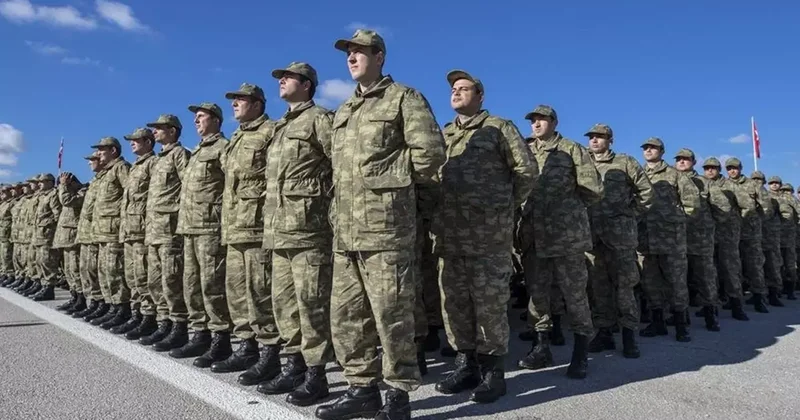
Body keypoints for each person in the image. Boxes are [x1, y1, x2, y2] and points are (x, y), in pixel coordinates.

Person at [314, 29, 446, 420]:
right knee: (346, 316)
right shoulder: (344, 111)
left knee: (392, 315)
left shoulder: (405, 98)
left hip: (387, 230)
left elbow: (430, 156)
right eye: (348, 53)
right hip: (346, 233)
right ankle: (361, 388)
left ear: (380, 56)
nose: (352, 58)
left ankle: (397, 396)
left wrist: (392, 186)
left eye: (360, 51)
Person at [432, 70, 536, 402]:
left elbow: (527, 171)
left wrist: (502, 207)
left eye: (464, 88)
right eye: (453, 89)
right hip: (449, 235)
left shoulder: (498, 128)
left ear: (480, 97)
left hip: (488, 236)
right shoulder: (444, 134)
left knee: (489, 305)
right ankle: (466, 365)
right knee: (455, 304)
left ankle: (494, 373)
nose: (456, 92)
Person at [517, 105, 603, 379]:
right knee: (537, 295)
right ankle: (540, 347)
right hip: (534, 235)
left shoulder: (571, 149)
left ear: (554, 122)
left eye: (541, 119)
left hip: (565, 236)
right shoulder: (527, 151)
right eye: (533, 121)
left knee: (574, 295)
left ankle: (581, 353)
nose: (536, 124)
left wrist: (566, 209)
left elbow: (593, 189)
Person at [583, 123, 653, 357]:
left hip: (620, 235)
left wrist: (630, 214)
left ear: (610, 140)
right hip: (593, 234)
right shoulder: (583, 162)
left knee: (625, 285)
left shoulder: (625, 162)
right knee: (599, 286)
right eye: (592, 136)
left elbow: (646, 193)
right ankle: (603, 333)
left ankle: (629, 334)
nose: (594, 140)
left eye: (600, 137)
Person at [172, 102, 232, 369]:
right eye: (195, 118)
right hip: (190, 227)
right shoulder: (196, 152)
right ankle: (200, 333)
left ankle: (221, 337)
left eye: (201, 117)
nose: (196, 121)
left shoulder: (223, 147)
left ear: (216, 120)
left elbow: (233, 183)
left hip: (210, 226)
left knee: (211, 284)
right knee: (191, 283)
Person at [637, 138, 700, 342]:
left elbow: (692, 203)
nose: (648, 150)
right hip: (645, 238)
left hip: (671, 239)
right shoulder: (639, 173)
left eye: (652, 148)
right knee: (650, 282)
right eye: (645, 148)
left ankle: (681, 324)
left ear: (662, 151)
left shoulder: (675, 175)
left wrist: (677, 222)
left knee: (676, 282)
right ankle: (658, 322)